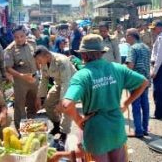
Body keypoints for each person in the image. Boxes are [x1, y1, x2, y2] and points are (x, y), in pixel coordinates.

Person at [60, 34, 149, 162]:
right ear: (102, 53)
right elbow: (144, 82)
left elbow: (66, 104)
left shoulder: (82, 76)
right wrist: (126, 103)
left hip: (96, 133)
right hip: (116, 130)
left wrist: (78, 120)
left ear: (84, 55)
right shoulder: (117, 68)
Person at [34, 46, 76, 143]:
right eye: (37, 60)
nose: (38, 63)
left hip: (72, 84)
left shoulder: (61, 61)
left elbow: (66, 82)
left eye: (39, 60)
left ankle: (64, 133)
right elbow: (44, 80)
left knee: (65, 107)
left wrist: (61, 102)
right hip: (59, 83)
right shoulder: (43, 63)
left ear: (47, 55)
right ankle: (56, 125)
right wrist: (39, 97)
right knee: (48, 104)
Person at [4, 25, 38, 130]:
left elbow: (37, 59)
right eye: (16, 37)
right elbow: (8, 68)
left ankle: (31, 127)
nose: (19, 39)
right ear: (13, 37)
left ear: (25, 35)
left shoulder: (32, 43)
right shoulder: (10, 50)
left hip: (34, 79)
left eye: (22, 36)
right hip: (20, 81)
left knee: (32, 105)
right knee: (20, 107)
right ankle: (21, 131)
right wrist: (22, 76)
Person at [125, 28, 151, 138]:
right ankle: (145, 128)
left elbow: (130, 66)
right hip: (146, 79)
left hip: (136, 81)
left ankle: (138, 130)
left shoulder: (133, 48)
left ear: (131, 36)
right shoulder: (146, 47)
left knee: (136, 105)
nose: (125, 38)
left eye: (126, 35)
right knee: (145, 104)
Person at [149, 20, 162, 119]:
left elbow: (159, 57)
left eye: (154, 28)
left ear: (160, 28)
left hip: (160, 65)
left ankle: (159, 113)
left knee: (158, 91)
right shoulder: (161, 37)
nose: (153, 30)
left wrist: (154, 70)